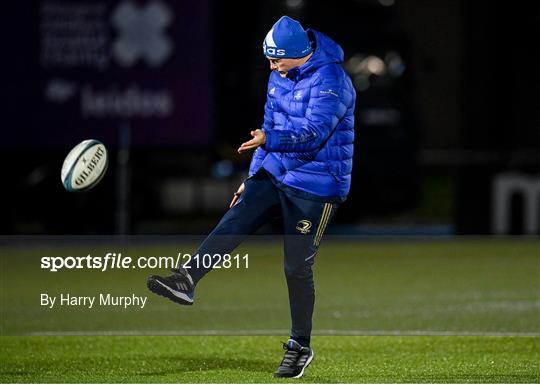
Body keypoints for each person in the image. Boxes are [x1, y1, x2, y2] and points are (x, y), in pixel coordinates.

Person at [147, 15, 355, 378]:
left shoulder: (333, 80)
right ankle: (187, 279)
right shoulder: (280, 75)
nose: (272, 67)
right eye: (269, 60)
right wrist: (253, 175)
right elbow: (269, 127)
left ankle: (299, 347)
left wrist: (268, 142)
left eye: (277, 59)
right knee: (237, 214)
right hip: (277, 170)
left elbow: (315, 134)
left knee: (296, 268)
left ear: (299, 53)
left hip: (317, 185)